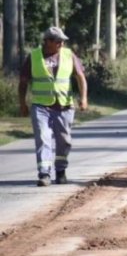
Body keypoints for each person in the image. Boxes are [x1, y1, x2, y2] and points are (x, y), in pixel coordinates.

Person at [18, 26, 88, 187]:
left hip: (64, 106)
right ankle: (44, 173)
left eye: (62, 41)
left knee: (64, 140)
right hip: (41, 106)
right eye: (58, 41)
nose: (61, 44)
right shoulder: (34, 56)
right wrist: (22, 103)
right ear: (47, 41)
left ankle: (61, 170)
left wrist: (83, 98)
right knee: (43, 137)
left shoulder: (69, 55)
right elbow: (23, 82)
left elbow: (80, 77)